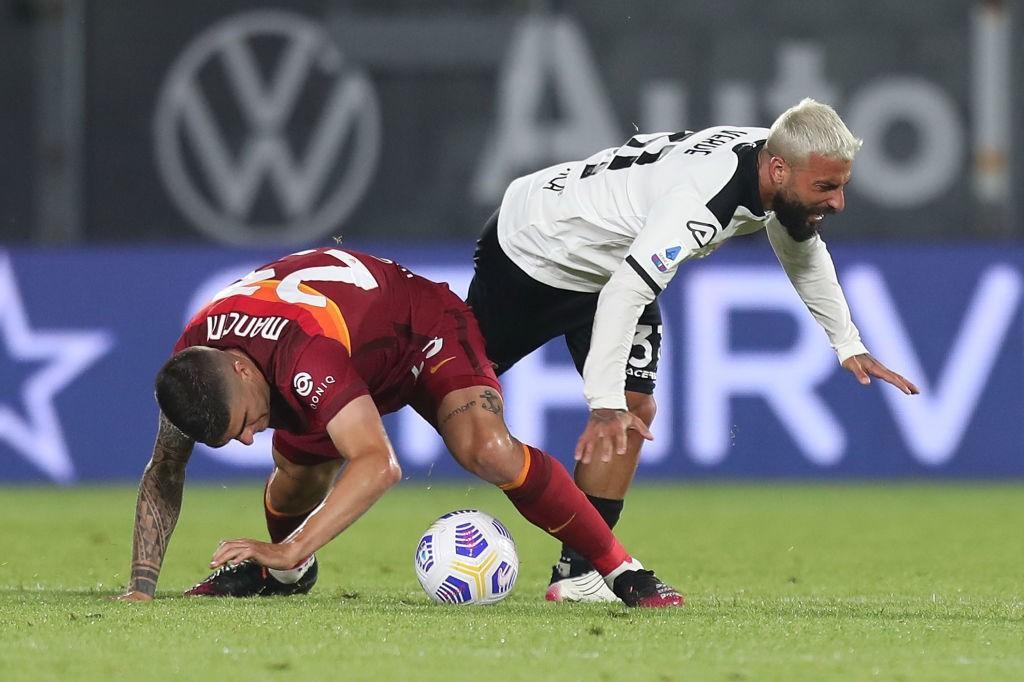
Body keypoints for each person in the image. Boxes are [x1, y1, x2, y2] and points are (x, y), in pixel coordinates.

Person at [466, 98, 920, 602]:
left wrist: (847, 342)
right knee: (447, 387)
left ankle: (580, 572)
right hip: (537, 251)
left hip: (608, 268)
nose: (838, 202)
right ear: (778, 169)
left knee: (637, 407)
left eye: (841, 186)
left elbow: (799, 244)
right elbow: (626, 292)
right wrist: (602, 403)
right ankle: (363, 428)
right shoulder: (706, 197)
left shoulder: (774, 160)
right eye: (826, 187)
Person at [115, 247, 681, 608]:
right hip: (344, 356)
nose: (246, 439)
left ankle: (620, 570)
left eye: (241, 425)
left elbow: (379, 464)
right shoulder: (193, 363)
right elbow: (165, 465)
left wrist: (290, 545)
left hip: (416, 330)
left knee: (486, 449)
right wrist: (141, 587)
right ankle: (285, 579)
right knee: (294, 478)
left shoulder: (301, 354)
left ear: (241, 367)